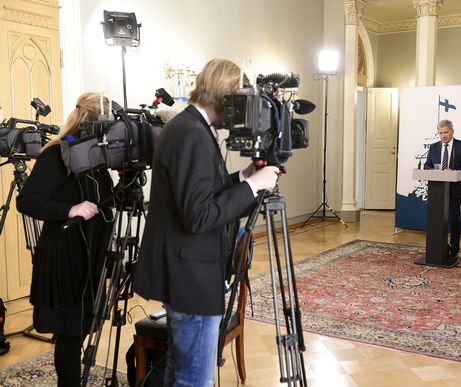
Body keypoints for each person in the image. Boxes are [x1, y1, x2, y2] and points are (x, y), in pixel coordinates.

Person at [133, 58, 280, 387]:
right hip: (191, 279)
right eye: (240, 101)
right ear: (224, 97)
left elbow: (202, 192)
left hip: (185, 273)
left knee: (179, 370)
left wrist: (244, 178)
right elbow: (199, 216)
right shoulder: (192, 134)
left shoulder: (189, 127)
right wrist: (253, 187)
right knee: (192, 379)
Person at [16, 92, 115, 386]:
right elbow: (27, 201)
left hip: (90, 252)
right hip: (65, 254)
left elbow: (100, 200)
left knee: (80, 327)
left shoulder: (96, 155)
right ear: (91, 120)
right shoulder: (57, 152)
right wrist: (69, 209)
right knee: (71, 333)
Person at [424, 119, 461, 260]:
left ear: (452, 131)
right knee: (437, 220)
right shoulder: (433, 147)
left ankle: (454, 248)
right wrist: (433, 170)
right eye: (440, 133)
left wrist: (454, 172)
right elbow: (427, 165)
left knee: (453, 219)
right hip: (437, 191)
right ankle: (440, 247)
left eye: (446, 132)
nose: (443, 136)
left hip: (454, 189)